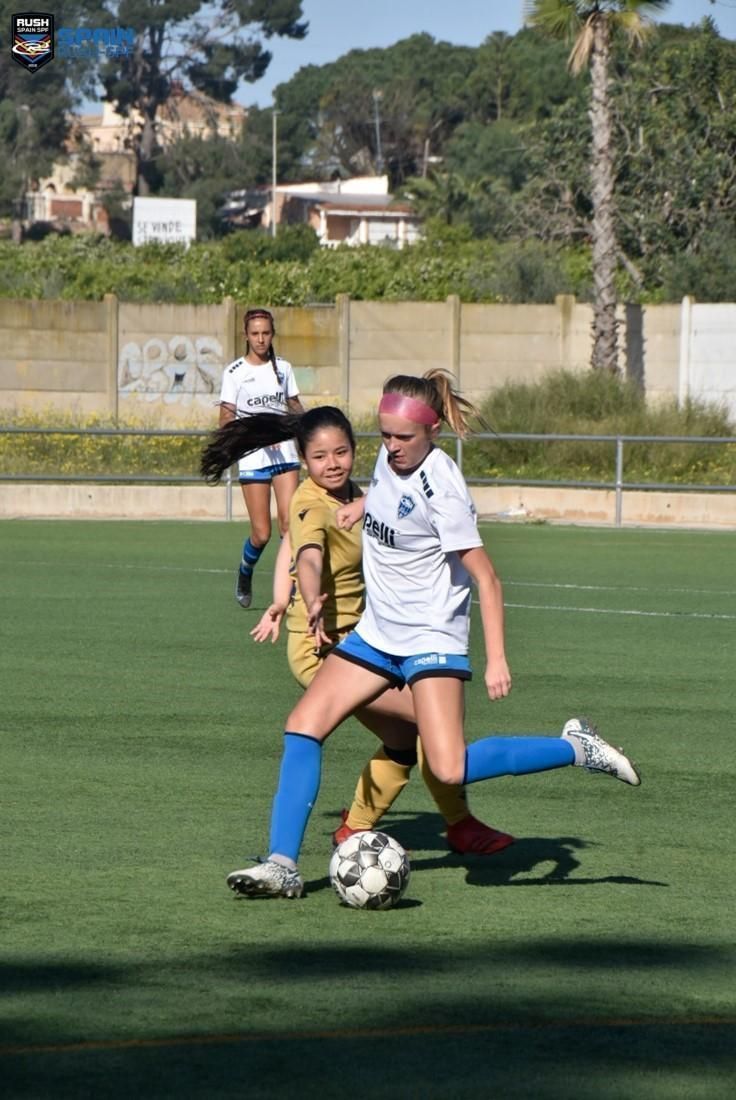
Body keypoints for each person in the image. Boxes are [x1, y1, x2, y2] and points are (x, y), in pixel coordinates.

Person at [212, 369, 640, 900]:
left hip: (431, 639)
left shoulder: (445, 488)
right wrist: (363, 505)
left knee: (449, 765)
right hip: (376, 635)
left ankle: (573, 747)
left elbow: (487, 576)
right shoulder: (391, 457)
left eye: (402, 438)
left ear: (432, 430)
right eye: (384, 435)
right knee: (303, 724)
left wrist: (497, 659)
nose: (389, 448)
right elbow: (386, 497)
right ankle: (282, 864)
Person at [237, 405, 515, 857]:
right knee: (427, 728)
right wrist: (306, 598)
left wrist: (277, 600)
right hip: (325, 645)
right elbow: (306, 554)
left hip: (372, 639)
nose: (332, 463)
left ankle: (359, 826)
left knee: (404, 741)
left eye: (342, 452)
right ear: (304, 462)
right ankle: (456, 824)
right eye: (320, 456)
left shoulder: (366, 487)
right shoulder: (310, 501)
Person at [217, 307, 304, 608]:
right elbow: (225, 419)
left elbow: (294, 406)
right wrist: (247, 435)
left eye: (265, 333)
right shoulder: (234, 373)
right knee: (262, 533)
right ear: (246, 336)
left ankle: (290, 586)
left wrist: (305, 429)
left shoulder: (284, 368)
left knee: (288, 525)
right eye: (255, 333)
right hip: (254, 458)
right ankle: (245, 571)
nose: (260, 339)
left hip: (286, 455)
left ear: (272, 334)